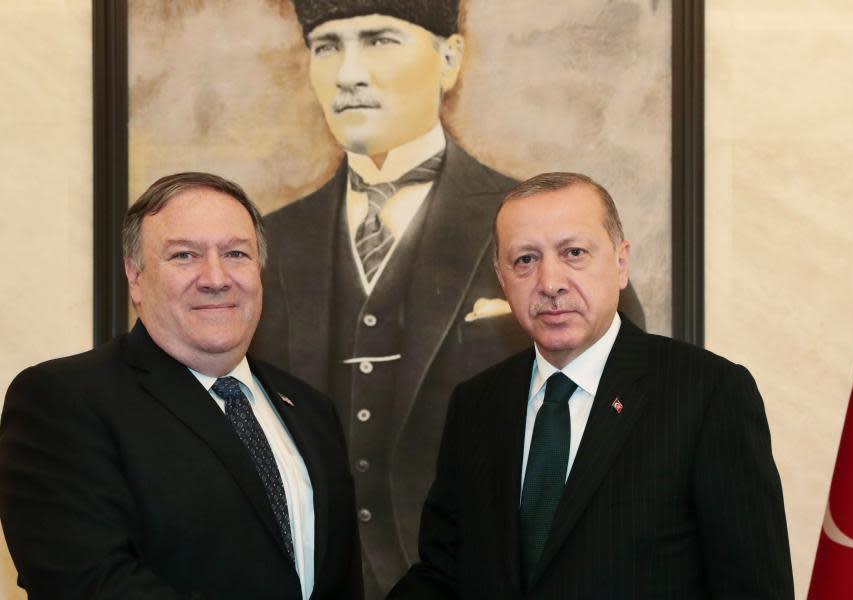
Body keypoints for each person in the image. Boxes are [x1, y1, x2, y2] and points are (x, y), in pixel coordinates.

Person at [250, 1, 645, 597]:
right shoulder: (269, 243)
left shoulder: (534, 230)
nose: (348, 73)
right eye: (327, 45)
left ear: (450, 57)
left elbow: (625, 417)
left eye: (380, 40)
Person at [389, 172, 794, 599]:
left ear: (621, 263)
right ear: (501, 277)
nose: (550, 282)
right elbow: (444, 574)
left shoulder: (707, 393)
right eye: (525, 259)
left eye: (574, 253)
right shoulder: (477, 404)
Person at [0, 173, 362, 599]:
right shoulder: (61, 400)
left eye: (236, 253)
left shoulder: (310, 409)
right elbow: (87, 583)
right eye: (185, 255)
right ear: (135, 276)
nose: (216, 277)